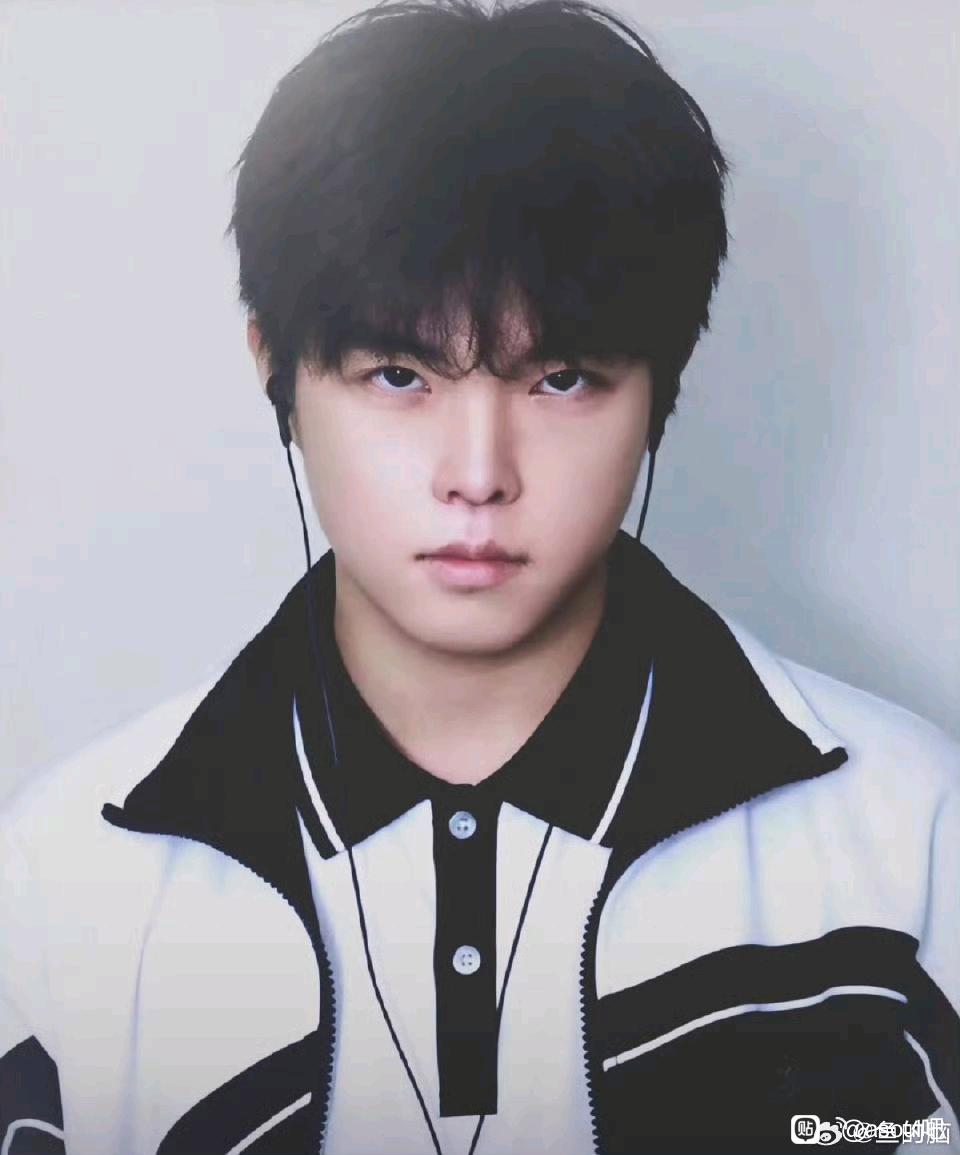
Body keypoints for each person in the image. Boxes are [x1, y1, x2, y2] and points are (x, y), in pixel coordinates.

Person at [1, 0, 957, 1152]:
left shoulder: (909, 835)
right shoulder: (69, 878)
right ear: (278, 372)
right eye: (400, 376)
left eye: (561, 380)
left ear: (664, 384)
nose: (478, 475)